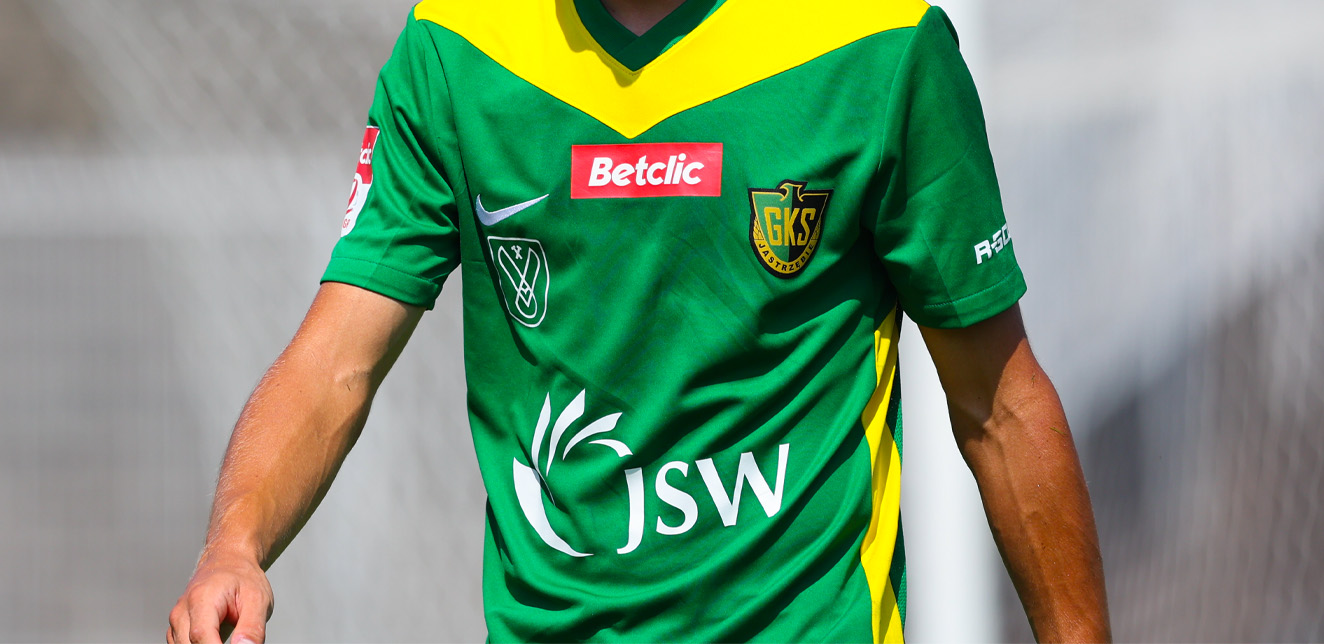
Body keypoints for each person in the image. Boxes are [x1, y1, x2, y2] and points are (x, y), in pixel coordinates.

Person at [168, 0, 1111, 641]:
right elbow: (334, 359)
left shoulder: (877, 42)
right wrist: (233, 547)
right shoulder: (459, 45)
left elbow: (1000, 404)